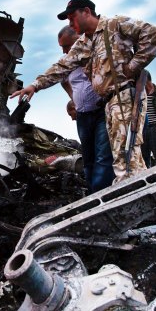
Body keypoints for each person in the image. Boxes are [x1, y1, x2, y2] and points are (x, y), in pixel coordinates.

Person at [11, 0, 156, 182]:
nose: (70, 22)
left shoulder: (114, 24)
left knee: (126, 154)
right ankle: (143, 196)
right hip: (108, 103)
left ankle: (129, 200)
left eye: (72, 17)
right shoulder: (84, 43)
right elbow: (62, 66)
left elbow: (153, 33)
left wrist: (132, 67)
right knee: (125, 156)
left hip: (124, 95)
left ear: (86, 12)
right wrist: (35, 85)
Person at [57, 26, 115, 193]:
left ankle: (102, 195)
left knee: (103, 155)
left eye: (66, 46)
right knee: (88, 157)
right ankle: (91, 194)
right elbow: (62, 80)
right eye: (61, 47)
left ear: (78, 39)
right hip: (83, 115)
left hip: (102, 112)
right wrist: (73, 98)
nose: (64, 50)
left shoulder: (95, 53)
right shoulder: (67, 61)